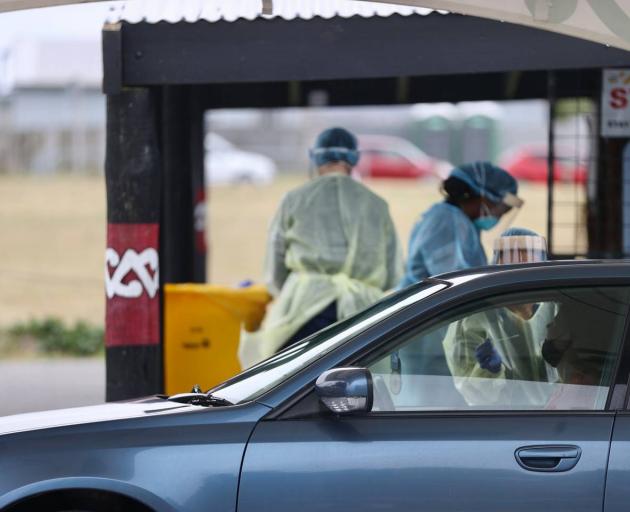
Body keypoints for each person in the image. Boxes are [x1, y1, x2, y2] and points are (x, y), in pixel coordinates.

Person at [238, 127, 403, 368]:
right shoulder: (377, 205)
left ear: (316, 157)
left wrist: (293, 291)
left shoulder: (294, 199)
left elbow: (275, 267)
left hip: (304, 312)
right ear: (354, 158)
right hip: (363, 319)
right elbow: (392, 274)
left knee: (291, 392)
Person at [442, 228, 557, 407]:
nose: (522, 280)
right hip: (500, 421)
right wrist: (488, 371)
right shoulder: (471, 319)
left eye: (530, 269)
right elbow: (474, 396)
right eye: (514, 268)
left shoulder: (556, 309)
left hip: (561, 416)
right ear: (497, 269)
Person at [399, 161, 523, 288]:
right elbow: (454, 281)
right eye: (500, 208)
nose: (499, 215)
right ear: (482, 198)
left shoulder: (462, 222)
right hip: (425, 306)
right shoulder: (445, 220)